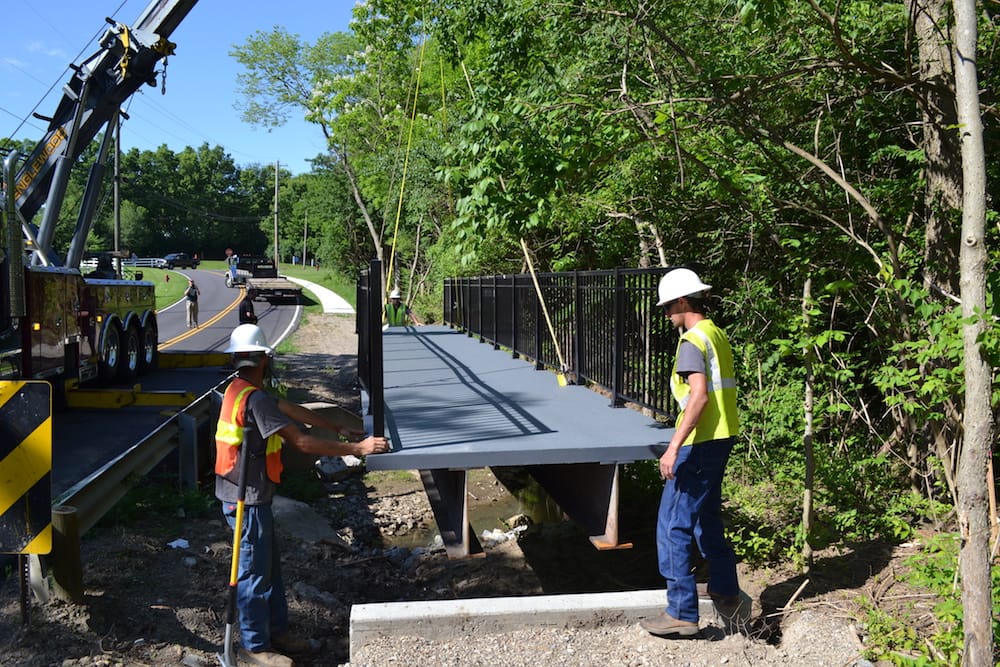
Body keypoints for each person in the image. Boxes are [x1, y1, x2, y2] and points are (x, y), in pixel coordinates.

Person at [216, 324, 389, 666]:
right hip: (245, 499)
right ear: (265, 359)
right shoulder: (257, 399)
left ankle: (276, 632)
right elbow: (303, 442)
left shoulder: (241, 388)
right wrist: (358, 447)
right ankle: (254, 648)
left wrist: (337, 426)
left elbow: (291, 409)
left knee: (269, 571)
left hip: (249, 494)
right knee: (252, 574)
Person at [640, 268, 741, 638]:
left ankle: (681, 612)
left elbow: (698, 396)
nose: (666, 314)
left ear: (684, 302)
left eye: (668, 307)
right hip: (722, 436)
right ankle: (726, 588)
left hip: (699, 442)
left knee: (672, 523)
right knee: (706, 517)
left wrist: (673, 447)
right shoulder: (716, 333)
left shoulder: (692, 342)